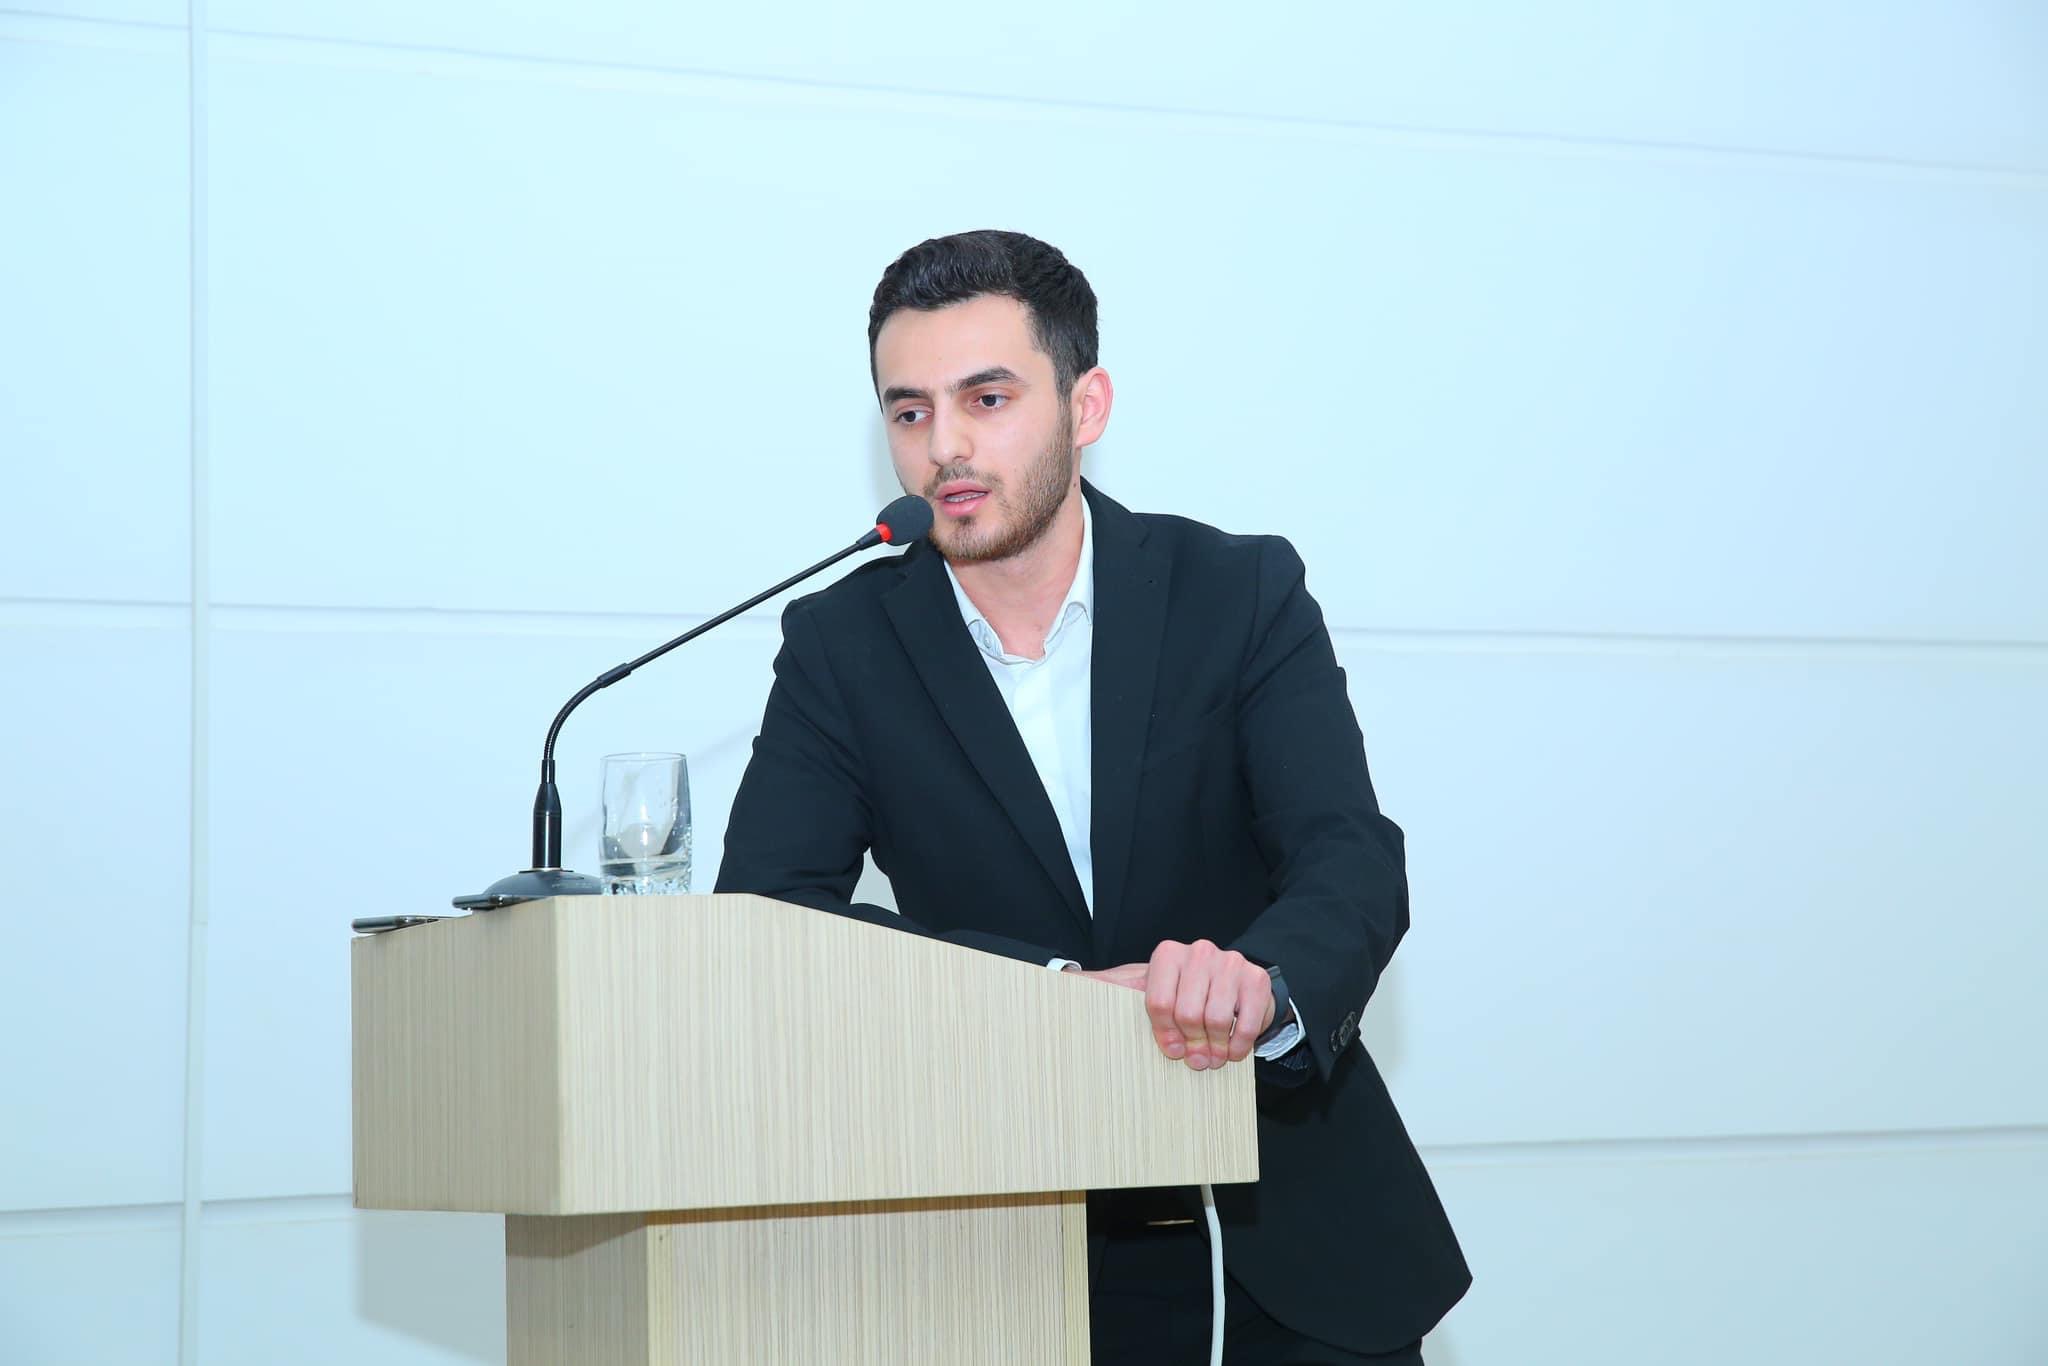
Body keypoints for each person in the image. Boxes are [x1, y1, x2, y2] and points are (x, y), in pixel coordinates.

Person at [716, 230, 1469, 1364]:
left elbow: (1347, 857)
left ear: (1087, 405)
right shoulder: (841, 645)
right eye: (910, 411)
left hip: (1290, 1236)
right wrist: (1056, 997)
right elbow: (771, 921)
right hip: (1013, 1248)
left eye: (987, 398)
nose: (945, 445)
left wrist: (1259, 984)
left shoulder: (1237, 589)